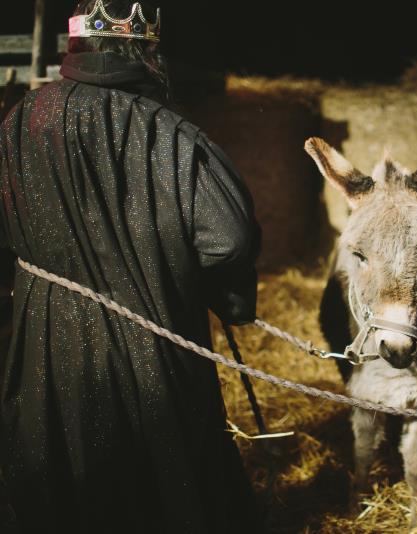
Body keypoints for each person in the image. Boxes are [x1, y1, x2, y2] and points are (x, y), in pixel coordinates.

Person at [0, 1, 262, 531]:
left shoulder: (21, 120)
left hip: (45, 346)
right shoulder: (170, 135)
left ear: (76, 46)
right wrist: (222, 297)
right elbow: (228, 240)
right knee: (162, 480)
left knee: (57, 477)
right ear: (146, 53)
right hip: (150, 343)